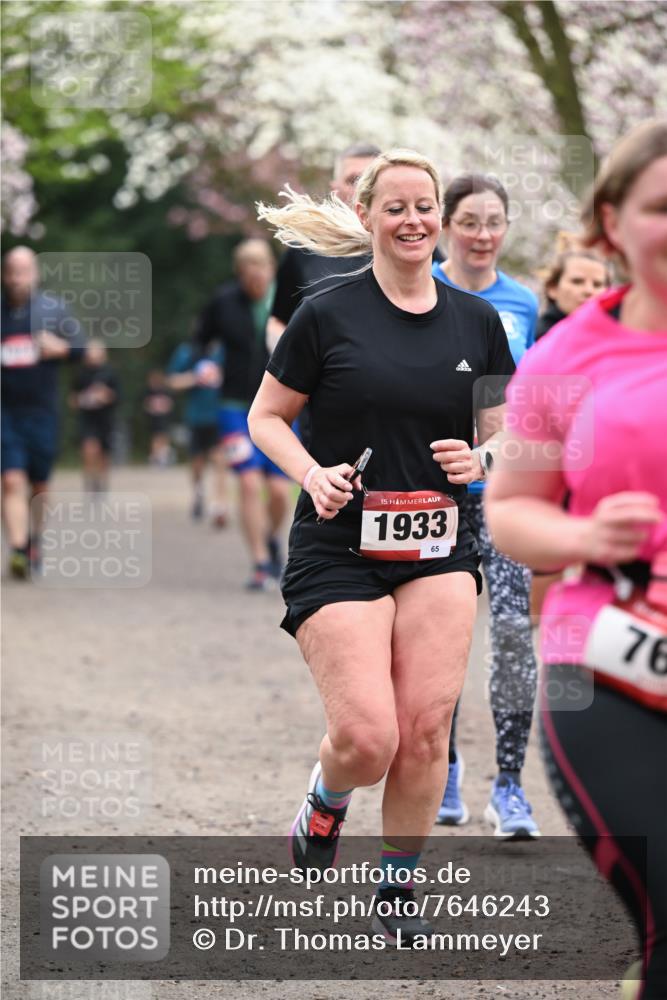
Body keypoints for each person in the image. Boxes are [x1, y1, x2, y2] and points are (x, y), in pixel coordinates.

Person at [250, 149, 515, 944]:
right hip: (340, 546)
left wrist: (484, 460)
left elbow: (507, 434)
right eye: (394, 206)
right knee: (369, 737)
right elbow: (266, 417)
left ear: (439, 216)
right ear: (364, 216)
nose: (412, 221)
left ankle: (396, 889)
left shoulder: (477, 322)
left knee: (426, 728)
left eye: (423, 206)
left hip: (438, 544)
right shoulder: (326, 314)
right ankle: (326, 800)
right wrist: (310, 473)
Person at [485, 119, 667, 999]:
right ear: (611, 222)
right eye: (662, 207)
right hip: (608, 663)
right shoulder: (563, 359)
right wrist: (588, 539)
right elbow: (512, 513)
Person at [432, 174, 541, 838]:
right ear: (446, 225)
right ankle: (439, 766)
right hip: (432, 494)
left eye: (493, 221)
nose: (481, 234)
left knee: (509, 637)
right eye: (469, 220)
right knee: (437, 642)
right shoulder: (423, 293)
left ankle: (508, 786)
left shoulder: (522, 302)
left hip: (502, 494)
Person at [198, 238, 291, 590]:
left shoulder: (285, 301)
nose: (256, 272)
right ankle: (259, 562)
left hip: (281, 408)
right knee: (249, 483)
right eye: (248, 266)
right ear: (240, 272)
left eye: (262, 264)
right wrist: (205, 361)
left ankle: (269, 537)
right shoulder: (223, 302)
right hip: (235, 407)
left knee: (280, 491)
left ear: (272, 268)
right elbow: (201, 340)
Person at [1, 246, 84, 578]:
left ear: (35, 274)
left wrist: (60, 348)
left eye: (25, 271)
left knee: (40, 486)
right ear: (5, 276)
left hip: (42, 412)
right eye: (13, 271)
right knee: (10, 479)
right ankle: (19, 548)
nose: (19, 278)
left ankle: (35, 539)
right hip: (5, 411)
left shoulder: (54, 311)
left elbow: (81, 348)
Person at [165, 331, 228, 526]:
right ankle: (198, 493)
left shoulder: (223, 351)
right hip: (196, 416)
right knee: (197, 462)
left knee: (220, 458)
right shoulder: (187, 352)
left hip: (220, 415)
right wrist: (195, 377)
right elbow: (172, 381)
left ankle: (219, 504)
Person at [69, 339, 119, 494]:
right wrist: (83, 399)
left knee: (104, 454)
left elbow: (118, 397)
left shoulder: (111, 373)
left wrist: (106, 396)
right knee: (89, 450)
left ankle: (101, 482)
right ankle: (89, 480)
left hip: (105, 419)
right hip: (87, 418)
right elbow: (72, 399)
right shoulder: (81, 374)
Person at [536, 248, 610, 340]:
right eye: (577, 282)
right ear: (553, 288)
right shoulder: (537, 340)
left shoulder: (615, 338)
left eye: (597, 284)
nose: (589, 290)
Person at [143, 370, 175, 466]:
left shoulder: (166, 391)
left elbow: (170, 404)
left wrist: (163, 408)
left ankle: (162, 457)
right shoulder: (149, 392)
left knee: (164, 437)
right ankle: (155, 458)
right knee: (156, 437)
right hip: (154, 418)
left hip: (164, 418)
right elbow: (146, 404)